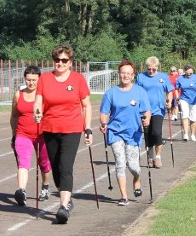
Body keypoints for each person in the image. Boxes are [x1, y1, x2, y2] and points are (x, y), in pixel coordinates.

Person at [33, 44, 92, 224]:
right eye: (57, 60)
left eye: (64, 60)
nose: (60, 63)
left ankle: (63, 207)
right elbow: (38, 101)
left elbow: (86, 105)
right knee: (56, 169)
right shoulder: (44, 79)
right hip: (50, 128)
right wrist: (37, 111)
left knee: (66, 167)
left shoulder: (78, 79)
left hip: (72, 129)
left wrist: (87, 128)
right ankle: (67, 198)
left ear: (70, 62)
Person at [99, 61, 151, 205]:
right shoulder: (111, 93)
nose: (125, 75)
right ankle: (124, 196)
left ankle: (137, 178)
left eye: (128, 73)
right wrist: (103, 124)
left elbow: (146, 111)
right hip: (115, 132)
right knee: (120, 163)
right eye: (123, 72)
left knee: (133, 166)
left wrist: (147, 120)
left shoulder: (140, 92)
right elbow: (104, 113)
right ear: (119, 74)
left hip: (133, 133)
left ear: (133, 76)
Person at [10, 65, 51, 206]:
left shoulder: (45, 96)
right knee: (23, 163)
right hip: (23, 134)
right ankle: (21, 191)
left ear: (39, 80)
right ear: (24, 79)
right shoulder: (18, 95)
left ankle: (45, 187)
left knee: (44, 164)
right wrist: (14, 134)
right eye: (28, 80)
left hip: (42, 135)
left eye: (34, 80)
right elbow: (14, 116)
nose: (31, 83)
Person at [135, 56, 173, 168]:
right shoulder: (141, 77)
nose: (151, 71)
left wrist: (169, 101)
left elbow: (170, 91)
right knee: (147, 135)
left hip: (158, 109)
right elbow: (136, 91)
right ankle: (150, 157)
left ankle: (158, 157)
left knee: (156, 133)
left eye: (153, 69)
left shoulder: (163, 77)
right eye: (149, 69)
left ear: (157, 67)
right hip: (144, 110)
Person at [175, 64, 196, 142]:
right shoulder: (180, 78)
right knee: (185, 115)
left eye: (191, 73)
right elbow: (176, 89)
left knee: (193, 119)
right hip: (184, 99)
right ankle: (186, 134)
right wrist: (178, 97)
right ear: (185, 71)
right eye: (188, 73)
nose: (189, 74)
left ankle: (193, 134)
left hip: (195, 100)